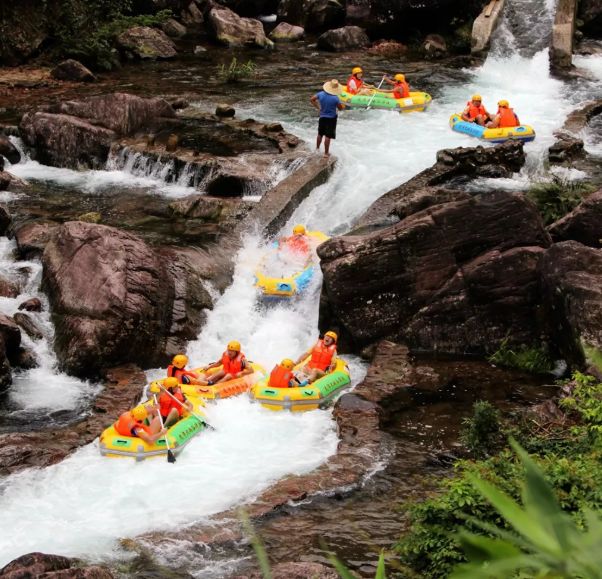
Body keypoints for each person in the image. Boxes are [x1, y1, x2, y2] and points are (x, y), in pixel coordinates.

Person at [310, 79, 345, 158]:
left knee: (320, 134)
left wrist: (318, 108)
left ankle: (317, 148)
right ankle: (326, 153)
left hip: (322, 116)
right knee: (328, 136)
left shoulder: (321, 94)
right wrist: (342, 105)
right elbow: (340, 108)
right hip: (331, 118)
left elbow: (312, 99)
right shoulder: (335, 98)